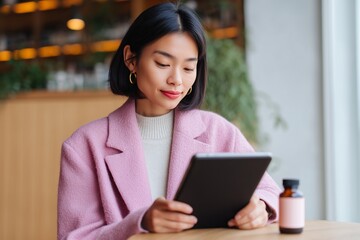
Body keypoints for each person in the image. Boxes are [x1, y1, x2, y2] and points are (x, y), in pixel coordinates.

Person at [57, 2, 281, 240]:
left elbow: (271, 192)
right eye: (163, 64)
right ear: (131, 59)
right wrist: (140, 223)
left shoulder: (218, 131)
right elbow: (74, 236)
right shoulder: (83, 146)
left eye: (188, 68)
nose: (176, 80)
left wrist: (261, 208)